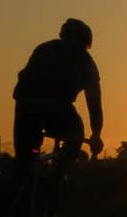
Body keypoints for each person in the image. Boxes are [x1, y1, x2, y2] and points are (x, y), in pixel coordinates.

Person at [12, 17, 104, 186]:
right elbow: (94, 103)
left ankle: (49, 178)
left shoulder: (47, 50)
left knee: (25, 165)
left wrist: (96, 132)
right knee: (74, 134)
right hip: (40, 107)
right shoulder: (82, 62)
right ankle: (54, 178)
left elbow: (94, 103)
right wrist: (96, 134)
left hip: (35, 107)